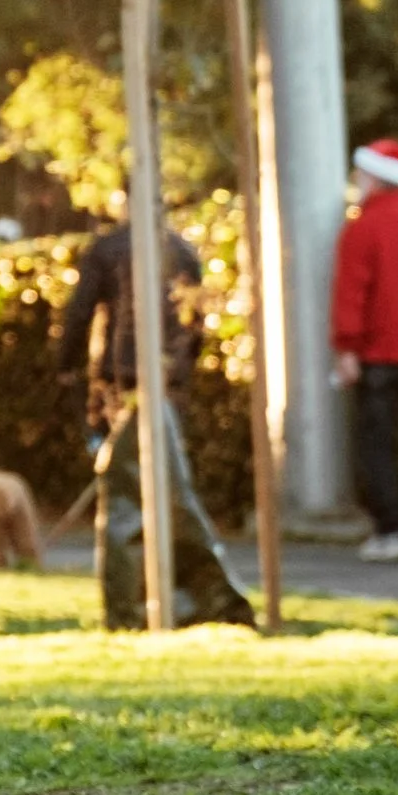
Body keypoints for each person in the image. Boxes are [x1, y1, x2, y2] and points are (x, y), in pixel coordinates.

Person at [57, 185, 253, 629]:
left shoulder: (108, 249)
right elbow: (195, 322)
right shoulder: (182, 251)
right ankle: (171, 597)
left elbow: (80, 313)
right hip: (169, 383)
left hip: (121, 380)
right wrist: (181, 372)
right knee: (167, 485)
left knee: (130, 494)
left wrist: (66, 369)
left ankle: (136, 605)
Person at [332, 137, 398, 561]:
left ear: (373, 178)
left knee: (377, 445)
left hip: (380, 355)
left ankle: (390, 532)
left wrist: (346, 348)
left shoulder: (363, 227)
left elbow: (351, 293)